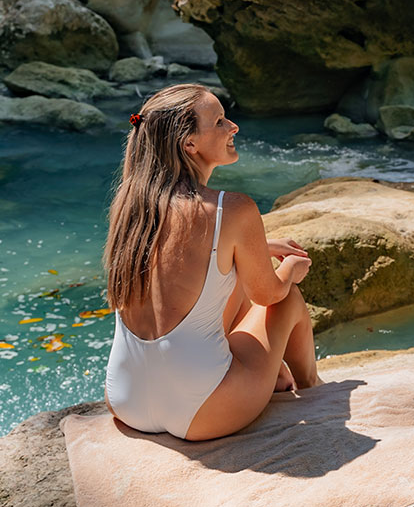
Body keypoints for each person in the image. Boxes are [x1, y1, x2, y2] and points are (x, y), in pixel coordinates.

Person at [103, 83, 320, 440]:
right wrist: (290, 270)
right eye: (219, 121)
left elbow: (177, 259)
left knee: (229, 277)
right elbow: (268, 295)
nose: (233, 127)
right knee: (288, 300)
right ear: (190, 144)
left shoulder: (130, 203)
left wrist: (257, 246)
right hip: (202, 411)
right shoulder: (233, 209)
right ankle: (313, 388)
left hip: (126, 401)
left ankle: (269, 375)